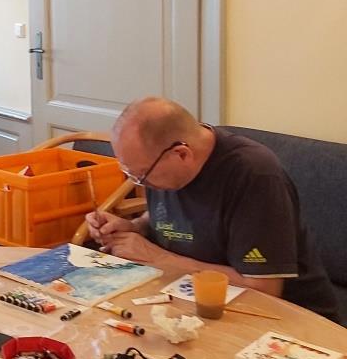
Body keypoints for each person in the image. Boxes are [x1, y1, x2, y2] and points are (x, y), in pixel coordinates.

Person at [85, 96, 338, 321]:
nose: (140, 183)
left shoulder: (254, 176)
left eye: (141, 176)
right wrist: (135, 227)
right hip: (192, 300)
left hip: (287, 320)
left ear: (182, 154)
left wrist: (157, 257)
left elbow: (263, 289)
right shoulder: (161, 163)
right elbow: (178, 214)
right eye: (130, 173)